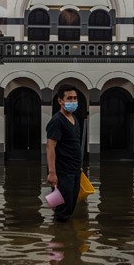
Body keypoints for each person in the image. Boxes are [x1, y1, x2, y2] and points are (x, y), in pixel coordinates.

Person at [46, 84, 82, 222]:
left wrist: (78, 166)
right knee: (62, 209)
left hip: (74, 170)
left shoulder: (74, 119)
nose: (73, 101)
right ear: (60, 101)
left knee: (71, 205)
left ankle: (65, 239)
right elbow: (50, 147)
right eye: (69, 98)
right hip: (62, 172)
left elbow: (73, 145)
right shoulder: (57, 121)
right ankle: (58, 237)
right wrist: (52, 173)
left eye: (75, 98)